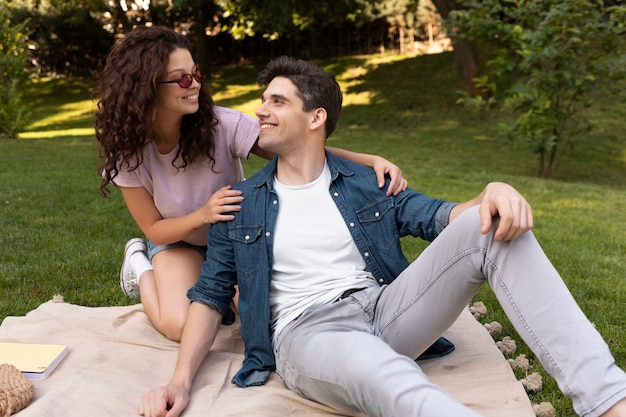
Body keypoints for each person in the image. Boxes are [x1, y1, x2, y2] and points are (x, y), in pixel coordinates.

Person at [139, 56, 626, 417]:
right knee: (385, 374)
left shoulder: (366, 185)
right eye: (263, 99)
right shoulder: (240, 204)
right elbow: (210, 295)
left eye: (277, 101)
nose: (261, 110)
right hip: (308, 333)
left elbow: (443, 216)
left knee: (493, 228)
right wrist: (179, 383)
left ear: (316, 118)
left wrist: (494, 190)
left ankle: (608, 401)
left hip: (385, 308)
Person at [94, 27, 408, 342]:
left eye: (196, 73)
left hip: (234, 238)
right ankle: (140, 266)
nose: (196, 85)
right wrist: (203, 215)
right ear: (146, 87)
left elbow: (298, 148)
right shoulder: (128, 152)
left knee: (258, 312)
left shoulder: (221, 125)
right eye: (183, 79)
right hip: (178, 240)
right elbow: (155, 229)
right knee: (181, 327)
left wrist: (369, 160)